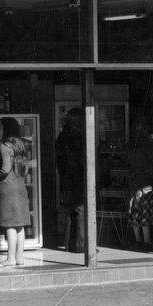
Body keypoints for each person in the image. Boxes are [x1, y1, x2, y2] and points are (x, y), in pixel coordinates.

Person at [0, 117, 30, 268]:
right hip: (21, 187)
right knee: (20, 225)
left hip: (8, 188)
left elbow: (5, 168)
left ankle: (10, 259)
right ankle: (19, 257)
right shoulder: (21, 144)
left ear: (5, 129)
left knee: (9, 224)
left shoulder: (4, 145)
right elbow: (26, 168)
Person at [125, 116, 153, 250]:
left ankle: (137, 240)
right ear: (145, 129)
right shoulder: (147, 144)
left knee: (135, 211)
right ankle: (147, 241)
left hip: (133, 180)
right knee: (145, 212)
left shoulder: (129, 144)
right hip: (146, 182)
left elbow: (126, 162)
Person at [56, 107, 86, 253]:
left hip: (67, 178)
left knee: (71, 211)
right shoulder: (76, 136)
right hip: (77, 177)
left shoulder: (63, 136)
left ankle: (69, 243)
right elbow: (78, 161)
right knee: (81, 210)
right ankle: (81, 245)